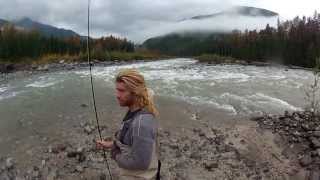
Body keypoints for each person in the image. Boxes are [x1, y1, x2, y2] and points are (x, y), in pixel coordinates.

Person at [96, 69, 160, 180]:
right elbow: (132, 144)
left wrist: (115, 154)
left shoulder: (141, 124)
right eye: (117, 90)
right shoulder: (135, 109)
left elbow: (141, 163)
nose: (117, 95)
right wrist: (112, 144)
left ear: (135, 92)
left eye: (121, 91)